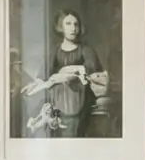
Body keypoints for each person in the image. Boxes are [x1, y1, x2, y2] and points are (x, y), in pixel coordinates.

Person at [23, 9, 106, 137]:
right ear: (60, 26)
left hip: (78, 96)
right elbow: (45, 72)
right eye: (68, 24)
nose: (73, 28)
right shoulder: (55, 51)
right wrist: (37, 83)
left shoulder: (86, 50)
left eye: (76, 24)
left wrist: (67, 71)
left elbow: (90, 68)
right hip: (57, 96)